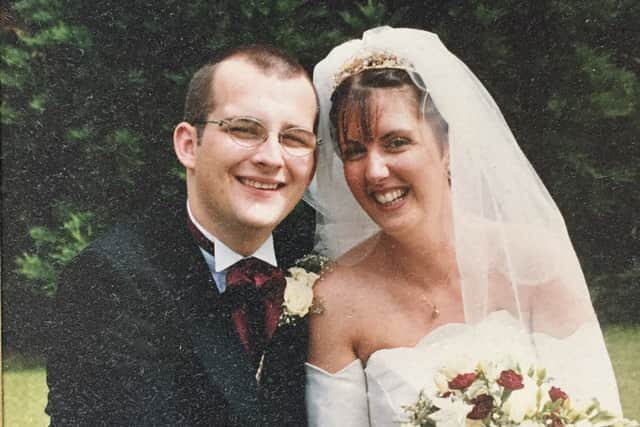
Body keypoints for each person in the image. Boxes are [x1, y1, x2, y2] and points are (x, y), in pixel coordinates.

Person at [304, 27, 623, 425]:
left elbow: (599, 415)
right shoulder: (336, 302)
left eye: (396, 142)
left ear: (447, 147)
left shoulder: (536, 261)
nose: (375, 170)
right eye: (354, 151)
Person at [45, 44, 318, 426]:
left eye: (294, 138)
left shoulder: (322, 265)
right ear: (189, 145)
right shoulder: (111, 278)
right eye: (244, 129)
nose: (272, 158)